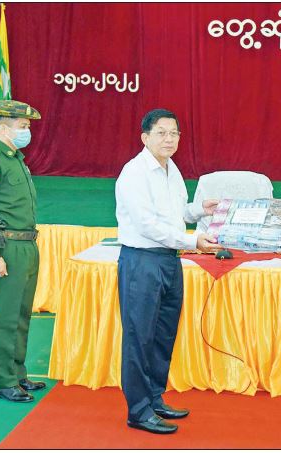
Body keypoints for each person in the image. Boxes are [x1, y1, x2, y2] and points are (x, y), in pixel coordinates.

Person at [115, 108, 223, 434]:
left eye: (174, 133)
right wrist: (192, 241)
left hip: (169, 260)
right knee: (139, 337)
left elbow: (174, 215)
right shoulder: (134, 173)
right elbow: (147, 225)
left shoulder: (171, 169)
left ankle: (154, 398)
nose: (169, 139)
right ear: (145, 137)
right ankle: (138, 410)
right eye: (161, 133)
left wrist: (198, 210)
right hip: (142, 262)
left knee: (163, 334)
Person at [0, 100, 46, 403]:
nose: (27, 131)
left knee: (21, 315)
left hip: (26, 245)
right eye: (23, 126)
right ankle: (3, 381)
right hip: (7, 248)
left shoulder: (16, 160)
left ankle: (17, 374)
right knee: (5, 317)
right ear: (4, 128)